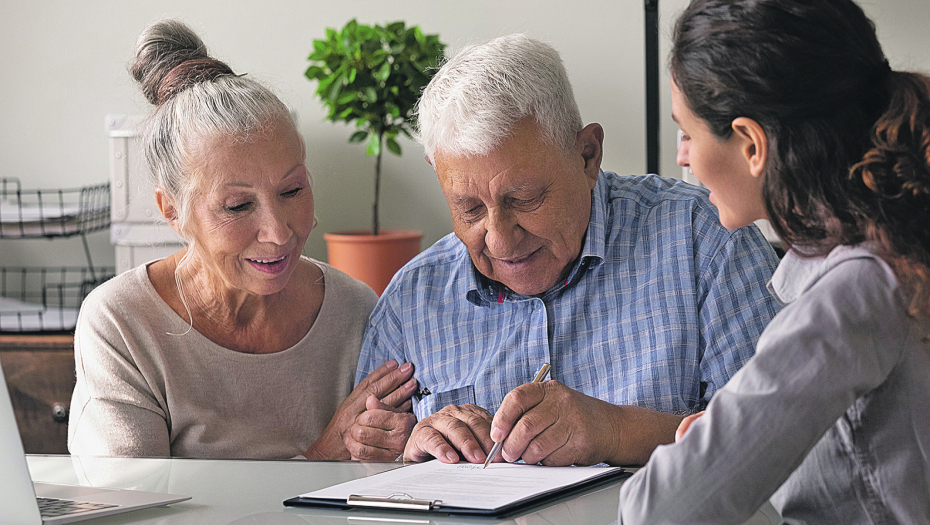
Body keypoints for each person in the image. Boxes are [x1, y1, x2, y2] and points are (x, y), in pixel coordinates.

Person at [351, 34, 781, 466]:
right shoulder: (410, 303)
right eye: (469, 208)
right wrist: (406, 453)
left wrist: (614, 430)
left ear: (587, 155)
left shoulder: (704, 242)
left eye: (525, 199)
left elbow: (779, 437)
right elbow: (358, 481)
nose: (500, 239)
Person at [617, 0, 930, 523]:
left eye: (688, 133)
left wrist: (704, 457)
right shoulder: (895, 252)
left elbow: (659, 512)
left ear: (752, 144)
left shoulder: (852, 292)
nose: (682, 158)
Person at [67, 19, 417, 461]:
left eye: (292, 191)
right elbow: (132, 506)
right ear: (172, 210)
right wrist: (321, 459)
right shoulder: (122, 322)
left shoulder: (355, 310)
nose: (279, 232)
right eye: (236, 206)